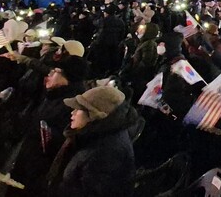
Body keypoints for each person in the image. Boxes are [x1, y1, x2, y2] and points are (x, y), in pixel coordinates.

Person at [10, 56, 89, 196]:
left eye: (55, 71)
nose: (49, 74)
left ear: (67, 78)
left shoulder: (70, 106)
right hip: (26, 161)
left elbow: (58, 144)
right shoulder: (54, 94)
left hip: (35, 173)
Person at [47, 85, 141, 197]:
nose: (73, 113)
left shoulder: (107, 154)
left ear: (94, 115)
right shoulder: (93, 136)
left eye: (79, 109)